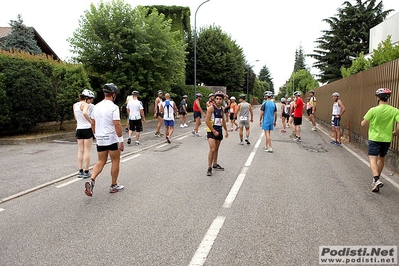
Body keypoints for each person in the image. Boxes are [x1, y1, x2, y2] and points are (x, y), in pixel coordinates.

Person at [84, 83, 124, 197]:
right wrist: (121, 140)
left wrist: (96, 135)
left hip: (100, 139)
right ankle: (113, 185)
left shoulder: (96, 106)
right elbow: (117, 124)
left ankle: (91, 180)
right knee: (115, 161)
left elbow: (93, 123)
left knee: (101, 161)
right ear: (113, 94)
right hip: (111, 138)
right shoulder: (113, 107)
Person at [361, 88, 399, 192]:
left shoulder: (373, 110)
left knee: (372, 159)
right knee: (381, 158)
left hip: (374, 138)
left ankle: (376, 179)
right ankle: (377, 178)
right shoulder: (394, 110)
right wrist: (396, 132)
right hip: (386, 139)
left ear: (378, 97)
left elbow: (363, 123)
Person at [205, 91, 229, 176]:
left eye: (220, 99)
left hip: (219, 130)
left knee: (216, 149)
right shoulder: (211, 108)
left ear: (222, 100)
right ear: (214, 99)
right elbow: (207, 121)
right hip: (211, 130)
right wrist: (213, 131)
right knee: (212, 149)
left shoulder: (222, 109)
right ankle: (209, 167)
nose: (218, 100)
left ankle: (215, 163)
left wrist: (226, 130)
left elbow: (223, 121)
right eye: (217, 99)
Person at [73, 89, 95, 178]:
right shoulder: (85, 105)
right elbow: (85, 112)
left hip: (79, 129)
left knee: (80, 150)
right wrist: (90, 122)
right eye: (91, 99)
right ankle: (86, 170)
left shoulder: (75, 105)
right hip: (87, 128)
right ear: (86, 98)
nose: (91, 101)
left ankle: (80, 170)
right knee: (87, 150)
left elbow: (75, 117)